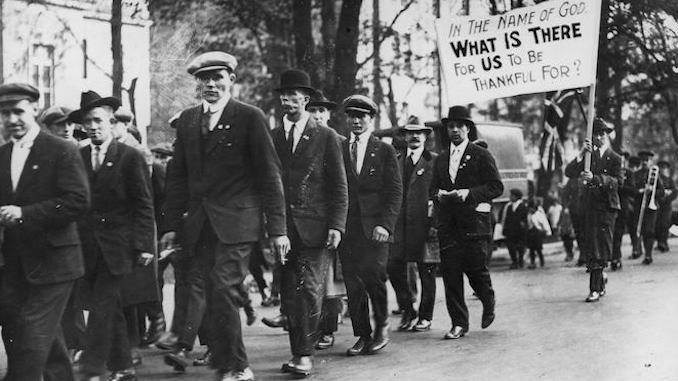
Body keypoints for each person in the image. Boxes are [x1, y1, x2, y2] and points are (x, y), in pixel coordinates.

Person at [161, 51, 288, 381]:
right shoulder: (188, 120)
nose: (211, 84)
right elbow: (177, 176)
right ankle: (232, 362)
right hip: (200, 225)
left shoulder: (249, 116)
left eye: (218, 77)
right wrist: (172, 226)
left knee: (221, 288)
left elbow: (269, 174)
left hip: (238, 223)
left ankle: (236, 366)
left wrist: (277, 228)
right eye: (204, 79)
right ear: (198, 84)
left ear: (231, 79)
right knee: (215, 291)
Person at [0, 83, 90, 381]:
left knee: (30, 335)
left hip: (55, 263)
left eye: (18, 111)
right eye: (4, 113)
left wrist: (26, 214)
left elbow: (78, 202)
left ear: (35, 110)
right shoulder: (3, 154)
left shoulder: (61, 149)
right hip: (16, 264)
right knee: (23, 332)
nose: (11, 119)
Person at [266, 69, 348, 376]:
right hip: (283, 230)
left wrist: (337, 225)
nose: (286, 100)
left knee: (310, 290)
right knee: (290, 293)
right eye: (282, 95)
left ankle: (304, 355)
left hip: (316, 229)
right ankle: (298, 353)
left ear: (306, 98)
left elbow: (338, 185)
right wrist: (274, 228)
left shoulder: (325, 135)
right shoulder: (272, 136)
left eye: (293, 95)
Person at [69, 90, 155, 381]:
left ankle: (93, 368)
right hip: (86, 247)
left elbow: (143, 203)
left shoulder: (129, 157)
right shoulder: (77, 155)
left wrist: (144, 245)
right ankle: (123, 365)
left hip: (119, 247)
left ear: (110, 120)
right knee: (109, 306)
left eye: (97, 121)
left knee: (102, 305)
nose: (92, 127)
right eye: (86, 122)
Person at [430, 105, 502, 339]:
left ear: (468, 129)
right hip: (448, 225)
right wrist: (438, 195)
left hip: (473, 225)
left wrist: (468, 193)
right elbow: (431, 189)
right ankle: (459, 323)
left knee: (475, 270)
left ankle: (487, 298)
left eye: (460, 126)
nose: (455, 130)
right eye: (451, 126)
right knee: (451, 275)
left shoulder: (481, 154)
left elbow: (496, 186)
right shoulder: (440, 159)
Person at [339, 94, 402, 356]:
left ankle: (381, 327)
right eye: (352, 116)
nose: (356, 121)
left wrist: (385, 225)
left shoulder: (384, 150)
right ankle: (362, 335)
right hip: (347, 228)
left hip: (376, 229)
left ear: (370, 119)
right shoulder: (340, 148)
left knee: (374, 276)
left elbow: (395, 192)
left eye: (361, 117)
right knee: (353, 283)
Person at [304, 90, 347, 350]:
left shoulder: (339, 141)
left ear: (329, 114)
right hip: (308, 219)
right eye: (313, 110)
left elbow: (344, 185)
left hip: (333, 219)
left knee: (331, 278)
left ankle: (328, 328)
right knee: (309, 278)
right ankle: (309, 326)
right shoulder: (303, 139)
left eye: (322, 111)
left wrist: (339, 221)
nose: (317, 115)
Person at [388, 116, 438, 332]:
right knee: (393, 268)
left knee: (426, 271)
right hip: (399, 226)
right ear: (404, 136)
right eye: (410, 132)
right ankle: (408, 310)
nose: (415, 136)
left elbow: (438, 196)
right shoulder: (396, 160)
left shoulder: (435, 161)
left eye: (419, 132)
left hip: (424, 225)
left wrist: (435, 223)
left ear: (426, 136)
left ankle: (425, 316)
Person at [564, 118, 621, 302]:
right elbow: (568, 172)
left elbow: (618, 181)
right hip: (589, 207)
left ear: (607, 136)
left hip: (607, 208)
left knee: (601, 247)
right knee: (592, 246)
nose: (599, 137)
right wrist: (581, 154)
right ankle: (598, 283)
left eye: (602, 134)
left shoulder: (616, 158)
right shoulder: (588, 157)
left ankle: (595, 287)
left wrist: (595, 178)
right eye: (595, 134)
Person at [630, 150, 665, 265]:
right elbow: (632, 190)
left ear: (650, 161)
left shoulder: (655, 174)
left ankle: (648, 255)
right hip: (639, 206)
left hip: (651, 207)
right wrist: (641, 191)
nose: (645, 162)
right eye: (643, 160)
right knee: (638, 230)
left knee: (649, 231)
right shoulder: (635, 174)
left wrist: (653, 192)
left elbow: (662, 192)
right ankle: (637, 250)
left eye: (647, 160)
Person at [610, 151, 636, 270]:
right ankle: (612, 257)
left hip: (623, 206)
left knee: (619, 233)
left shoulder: (629, 173)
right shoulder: (611, 171)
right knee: (611, 233)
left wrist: (618, 186)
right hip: (610, 205)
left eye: (623, 160)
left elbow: (632, 190)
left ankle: (616, 258)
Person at [502, 188, 527, 269]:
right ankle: (514, 262)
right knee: (511, 247)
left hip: (520, 231)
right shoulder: (509, 207)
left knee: (520, 247)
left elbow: (525, 219)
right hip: (510, 231)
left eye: (512, 196)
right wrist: (505, 229)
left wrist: (523, 227)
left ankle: (520, 261)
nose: (510, 197)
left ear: (516, 197)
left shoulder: (522, 206)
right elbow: (506, 219)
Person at [655, 161, 676, 252]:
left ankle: (664, 243)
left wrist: (667, 199)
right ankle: (660, 242)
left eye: (665, 168)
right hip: (658, 205)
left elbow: (675, 192)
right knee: (657, 224)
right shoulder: (657, 179)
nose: (663, 170)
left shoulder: (670, 180)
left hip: (667, 206)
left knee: (665, 224)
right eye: (661, 168)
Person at [526, 198, 552, 269]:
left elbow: (544, 224)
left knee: (538, 249)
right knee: (531, 249)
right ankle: (532, 263)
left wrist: (547, 232)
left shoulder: (539, 215)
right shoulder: (529, 215)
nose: (531, 210)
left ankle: (542, 262)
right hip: (530, 233)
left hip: (537, 233)